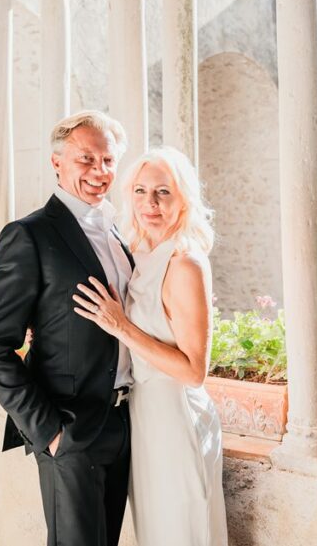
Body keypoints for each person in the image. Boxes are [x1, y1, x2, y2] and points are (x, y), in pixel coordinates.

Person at [0, 110, 133, 546]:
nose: (99, 172)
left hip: (123, 421)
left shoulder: (118, 236)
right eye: (86, 159)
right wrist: (49, 432)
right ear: (56, 162)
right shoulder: (28, 235)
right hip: (70, 426)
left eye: (108, 161)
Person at [73, 147, 228, 546]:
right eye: (140, 191)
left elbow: (194, 371)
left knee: (178, 532)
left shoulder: (185, 264)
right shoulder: (139, 254)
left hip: (174, 418)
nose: (149, 203)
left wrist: (121, 326)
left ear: (184, 199)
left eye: (163, 192)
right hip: (141, 417)